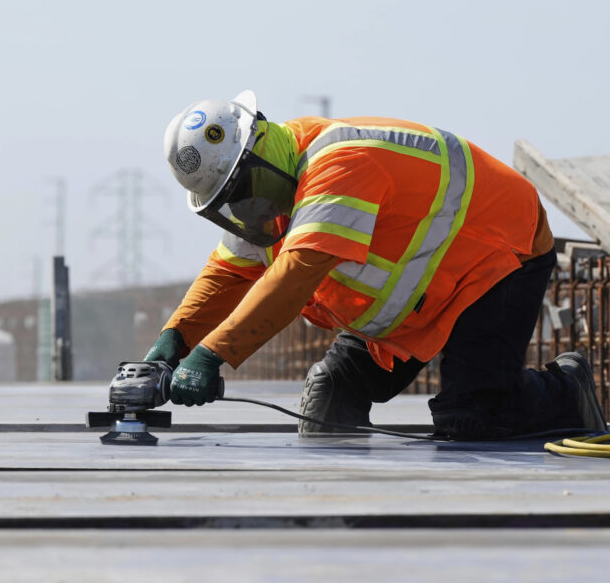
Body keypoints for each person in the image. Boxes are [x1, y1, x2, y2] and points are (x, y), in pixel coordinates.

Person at [147, 90, 606, 439]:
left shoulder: (339, 164)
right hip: (421, 297)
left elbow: (295, 276)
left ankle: (570, 390)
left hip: (493, 255)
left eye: (244, 188)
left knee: (475, 416)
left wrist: (211, 355)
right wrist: (175, 338)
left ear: (261, 148)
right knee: (328, 403)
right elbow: (228, 272)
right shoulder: (267, 202)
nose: (245, 207)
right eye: (229, 202)